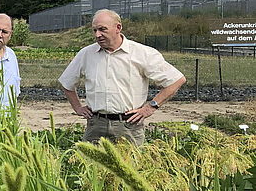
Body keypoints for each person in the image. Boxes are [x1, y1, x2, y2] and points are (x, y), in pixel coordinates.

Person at [59, 9, 186, 146]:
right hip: (96, 126)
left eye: (102, 29)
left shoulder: (142, 53)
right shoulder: (86, 54)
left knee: (129, 165)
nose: (97, 35)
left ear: (118, 27)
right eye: (94, 30)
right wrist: (78, 108)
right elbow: (67, 82)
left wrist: (150, 107)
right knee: (91, 166)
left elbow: (176, 80)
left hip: (128, 126)